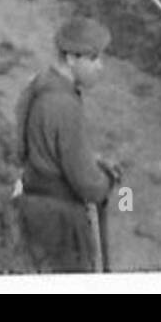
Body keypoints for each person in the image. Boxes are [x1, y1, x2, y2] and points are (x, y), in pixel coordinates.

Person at [14, 17, 120, 273]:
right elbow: (87, 183)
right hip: (59, 217)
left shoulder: (41, 83)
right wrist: (107, 180)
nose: (100, 67)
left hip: (34, 203)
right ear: (72, 58)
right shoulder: (64, 104)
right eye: (93, 58)